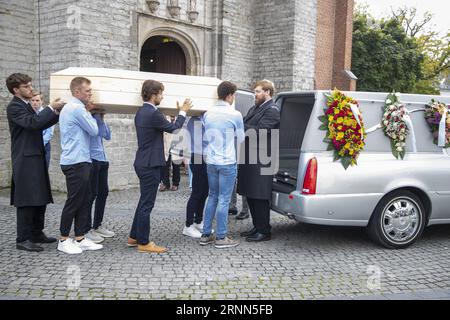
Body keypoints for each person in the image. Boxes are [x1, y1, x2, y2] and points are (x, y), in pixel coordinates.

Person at [128, 80, 192, 253]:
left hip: (143, 162)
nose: (163, 97)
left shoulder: (141, 112)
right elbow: (175, 128)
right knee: (147, 204)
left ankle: (134, 236)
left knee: (143, 201)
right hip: (150, 164)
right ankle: (143, 242)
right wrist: (183, 112)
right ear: (154, 94)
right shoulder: (153, 113)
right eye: (161, 94)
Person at [6, 73, 64, 252]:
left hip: (35, 156)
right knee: (26, 200)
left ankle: (36, 233)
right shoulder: (14, 107)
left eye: (31, 85)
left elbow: (40, 123)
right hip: (24, 159)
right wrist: (49, 107)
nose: (31, 89)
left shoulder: (26, 105)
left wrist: (56, 112)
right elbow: (32, 123)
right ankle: (22, 239)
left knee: (39, 197)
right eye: (26, 86)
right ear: (16, 90)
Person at [57, 77, 106, 254]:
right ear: (77, 92)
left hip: (80, 160)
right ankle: (63, 240)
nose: (90, 93)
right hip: (76, 162)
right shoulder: (77, 108)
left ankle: (80, 238)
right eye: (87, 91)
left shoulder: (74, 107)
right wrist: (90, 113)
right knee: (75, 201)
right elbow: (94, 130)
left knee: (84, 200)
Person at [200, 81, 245, 249]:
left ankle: (205, 234)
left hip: (211, 161)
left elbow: (206, 136)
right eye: (234, 95)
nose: (234, 98)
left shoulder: (208, 113)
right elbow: (241, 138)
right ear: (229, 96)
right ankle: (221, 237)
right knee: (224, 199)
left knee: (212, 196)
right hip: (227, 162)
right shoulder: (235, 114)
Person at [237, 80, 280, 242]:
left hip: (262, 159)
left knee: (260, 196)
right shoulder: (256, 107)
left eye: (257, 91)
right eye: (255, 91)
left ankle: (264, 231)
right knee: (251, 194)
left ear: (267, 92)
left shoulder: (272, 110)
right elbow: (248, 123)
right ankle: (257, 226)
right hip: (250, 157)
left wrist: (241, 125)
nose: (255, 94)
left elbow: (261, 131)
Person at [84, 109, 115, 244]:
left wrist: (101, 119)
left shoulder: (100, 120)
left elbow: (107, 136)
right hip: (92, 159)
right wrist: (97, 116)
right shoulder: (89, 119)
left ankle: (97, 225)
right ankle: (86, 228)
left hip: (102, 159)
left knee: (103, 193)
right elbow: (99, 132)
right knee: (91, 195)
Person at [183, 115, 209, 238]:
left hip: (204, 157)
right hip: (198, 156)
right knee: (197, 193)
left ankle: (198, 221)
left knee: (204, 192)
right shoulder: (194, 121)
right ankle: (188, 226)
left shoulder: (203, 119)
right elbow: (203, 140)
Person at [30, 92, 54, 170]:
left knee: (43, 170)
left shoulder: (47, 113)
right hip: (30, 146)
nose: (35, 103)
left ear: (42, 101)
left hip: (44, 145)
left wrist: (38, 144)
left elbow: (49, 133)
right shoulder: (28, 113)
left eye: (37, 100)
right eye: (32, 100)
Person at [159, 116, 181, 192]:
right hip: (166, 145)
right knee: (165, 165)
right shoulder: (165, 119)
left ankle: (175, 183)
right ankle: (165, 183)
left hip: (177, 146)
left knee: (176, 166)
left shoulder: (179, 119)